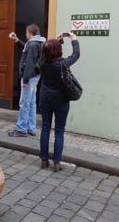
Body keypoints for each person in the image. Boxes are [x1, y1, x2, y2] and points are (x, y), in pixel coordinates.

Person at [39, 33, 80, 172]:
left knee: (45, 128)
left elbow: (47, 52)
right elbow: (76, 55)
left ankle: (44, 160)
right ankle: (56, 162)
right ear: (58, 51)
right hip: (61, 99)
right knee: (59, 131)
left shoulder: (42, 62)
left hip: (45, 98)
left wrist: (56, 42)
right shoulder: (62, 64)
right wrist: (74, 40)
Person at [8, 24, 46, 137]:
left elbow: (29, 63)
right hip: (35, 76)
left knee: (24, 103)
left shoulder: (33, 44)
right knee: (31, 102)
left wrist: (25, 81)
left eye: (26, 32)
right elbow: (27, 50)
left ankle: (21, 129)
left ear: (30, 33)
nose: (25, 34)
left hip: (29, 77)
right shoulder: (39, 42)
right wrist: (17, 40)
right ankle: (31, 128)